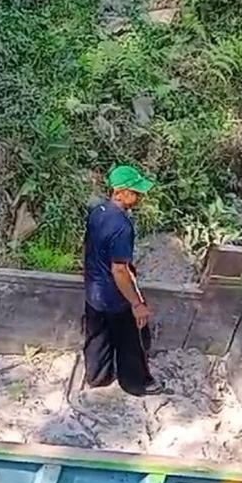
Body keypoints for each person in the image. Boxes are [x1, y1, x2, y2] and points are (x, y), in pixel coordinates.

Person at [81, 164, 164, 396]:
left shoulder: (97, 211)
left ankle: (97, 376)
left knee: (97, 336)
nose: (139, 197)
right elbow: (119, 270)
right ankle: (137, 383)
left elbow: (90, 247)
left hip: (93, 291)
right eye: (135, 192)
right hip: (115, 296)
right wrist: (137, 304)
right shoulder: (122, 226)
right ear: (119, 192)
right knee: (131, 341)